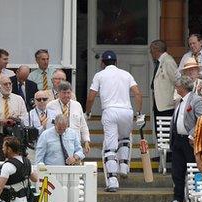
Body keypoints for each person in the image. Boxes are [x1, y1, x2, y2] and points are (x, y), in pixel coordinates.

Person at [86, 50, 143, 192]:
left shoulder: (99, 75)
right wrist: (139, 112)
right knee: (124, 138)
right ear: (116, 62)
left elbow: (91, 96)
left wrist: (88, 111)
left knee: (110, 147)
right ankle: (123, 166)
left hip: (110, 111)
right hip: (126, 111)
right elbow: (137, 93)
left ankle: (112, 181)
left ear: (102, 63)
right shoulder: (126, 74)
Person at [169, 76, 202, 202]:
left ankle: (193, 197)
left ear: (183, 87)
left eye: (177, 86)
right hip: (177, 139)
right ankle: (177, 198)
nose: (176, 88)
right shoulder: (180, 101)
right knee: (177, 171)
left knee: (193, 170)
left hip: (190, 141)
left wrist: (192, 135)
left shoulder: (196, 100)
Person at [0, 77, 29, 161]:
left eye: (10, 83)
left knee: (17, 163)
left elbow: (25, 118)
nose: (8, 86)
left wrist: (16, 120)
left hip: (16, 136)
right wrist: (0, 121)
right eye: (5, 84)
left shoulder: (19, 99)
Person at [46, 81, 90, 155]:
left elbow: (83, 125)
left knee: (75, 163)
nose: (66, 95)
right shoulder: (51, 105)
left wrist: (86, 141)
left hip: (75, 142)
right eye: (64, 93)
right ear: (58, 93)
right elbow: (50, 126)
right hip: (57, 142)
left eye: (68, 93)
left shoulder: (77, 105)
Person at [149, 39, 178, 117]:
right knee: (159, 127)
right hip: (159, 104)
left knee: (165, 128)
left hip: (166, 105)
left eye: (151, 50)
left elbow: (177, 81)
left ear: (156, 50)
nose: (150, 53)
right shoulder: (160, 61)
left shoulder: (168, 61)